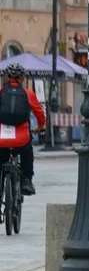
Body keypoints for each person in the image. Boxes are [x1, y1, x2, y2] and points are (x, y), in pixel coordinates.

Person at [0, 64, 46, 195]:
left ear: (7, 77)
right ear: (21, 79)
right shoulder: (28, 94)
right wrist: (40, 126)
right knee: (27, 152)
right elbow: (39, 114)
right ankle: (26, 180)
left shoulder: (1, 92)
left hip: (2, 139)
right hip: (21, 139)